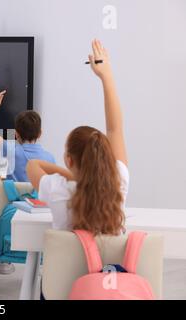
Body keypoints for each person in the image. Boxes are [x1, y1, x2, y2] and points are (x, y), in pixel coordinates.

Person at [26, 39, 128, 236]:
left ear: (69, 160)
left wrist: (72, 176)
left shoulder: (58, 190)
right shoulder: (119, 182)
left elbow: (33, 166)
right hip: (105, 268)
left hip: (67, 268)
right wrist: (106, 76)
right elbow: (115, 129)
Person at [0, 91, 56, 274]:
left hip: (14, 213)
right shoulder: (49, 158)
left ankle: (6, 260)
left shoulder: (12, 150)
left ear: (16, 134)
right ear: (40, 133)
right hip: (39, 215)